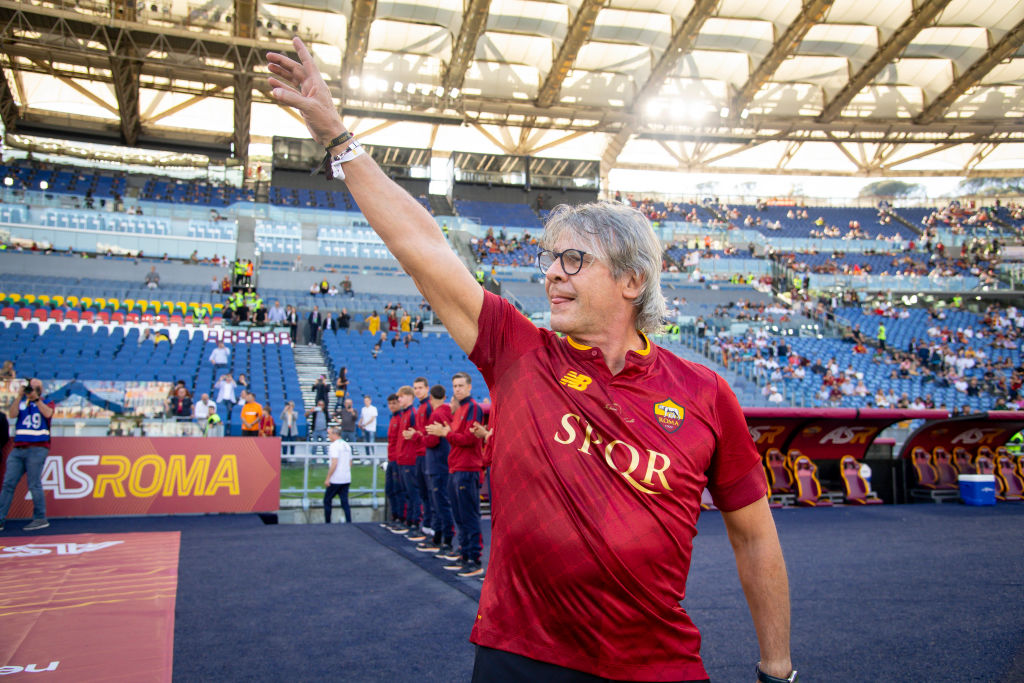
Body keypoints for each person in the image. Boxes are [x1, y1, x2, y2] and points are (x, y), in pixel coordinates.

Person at [268, 40, 792, 683]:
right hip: (522, 658)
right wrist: (340, 141)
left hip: (656, 666)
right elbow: (422, 247)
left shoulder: (707, 394)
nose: (551, 274)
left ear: (633, 281)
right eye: (549, 259)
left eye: (573, 260)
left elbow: (754, 535)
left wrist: (777, 670)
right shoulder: (517, 351)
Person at [426, 372, 486, 578]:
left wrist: (446, 434)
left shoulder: (473, 408)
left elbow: (468, 438)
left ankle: (474, 559)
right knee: (460, 516)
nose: (458, 389)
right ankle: (464, 554)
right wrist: (448, 431)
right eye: (455, 386)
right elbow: (457, 437)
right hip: (455, 468)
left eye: (461, 385)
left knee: (469, 515)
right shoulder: (459, 409)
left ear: (469, 387)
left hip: (467, 469)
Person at [0, 378, 55, 531]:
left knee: (34, 484)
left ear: (41, 390)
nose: (32, 390)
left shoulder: (47, 402)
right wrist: (19, 396)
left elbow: (48, 413)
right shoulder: (22, 402)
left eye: (36, 388)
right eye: (31, 388)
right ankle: (0, 518)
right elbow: (12, 414)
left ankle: (40, 518)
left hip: (38, 448)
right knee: (8, 484)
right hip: (18, 448)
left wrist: (36, 399)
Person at [416, 384, 454, 556]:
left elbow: (432, 441)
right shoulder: (448, 412)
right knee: (441, 501)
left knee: (439, 502)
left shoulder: (436, 414)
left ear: (431, 398)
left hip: (436, 463)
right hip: (443, 463)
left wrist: (419, 436)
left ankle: (443, 538)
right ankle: (441, 536)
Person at [323, 427, 353, 523]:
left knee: (327, 500)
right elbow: (350, 462)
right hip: (346, 477)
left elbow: (334, 462)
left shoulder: (334, 446)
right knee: (344, 501)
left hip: (336, 478)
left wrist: (328, 478)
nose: (329, 436)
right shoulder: (346, 445)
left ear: (334, 435)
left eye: (330, 434)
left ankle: (328, 522)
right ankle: (349, 521)